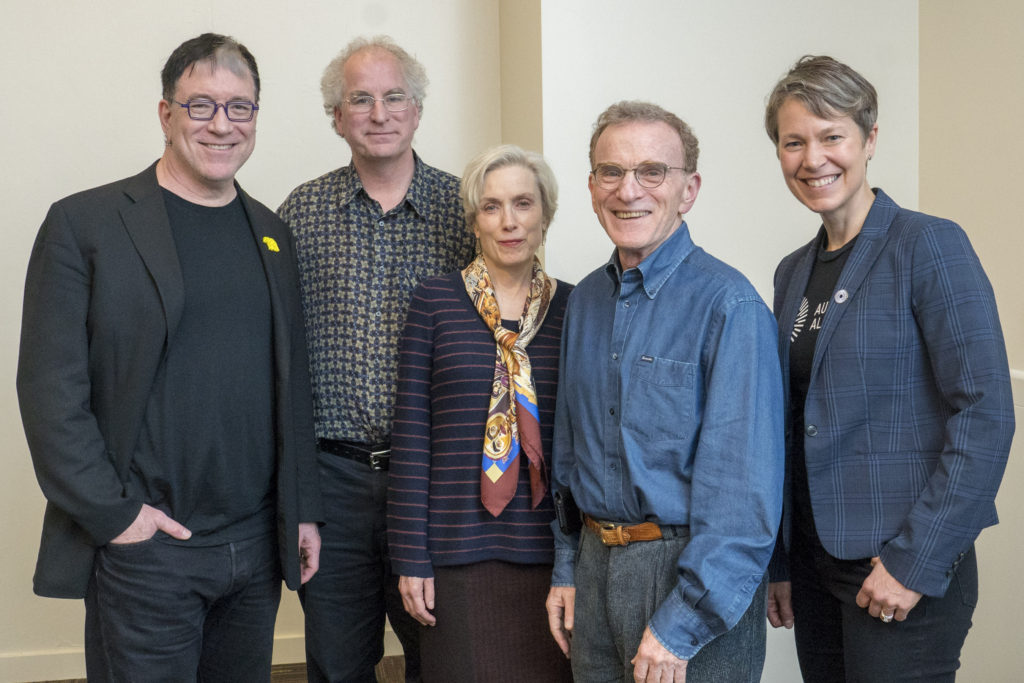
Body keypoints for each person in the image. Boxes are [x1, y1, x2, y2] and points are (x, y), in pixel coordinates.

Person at [16, 33, 321, 682]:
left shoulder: (273, 233)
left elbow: (291, 385)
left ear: (256, 118)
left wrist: (303, 508)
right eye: (201, 105)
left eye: (240, 107)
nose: (221, 124)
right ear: (166, 114)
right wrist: (117, 515)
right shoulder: (86, 224)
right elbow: (49, 391)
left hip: (254, 547)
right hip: (149, 548)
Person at [763, 55, 1015, 681]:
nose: (812, 158)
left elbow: (986, 413)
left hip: (900, 566)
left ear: (869, 140)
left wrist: (915, 560)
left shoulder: (928, 244)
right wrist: (782, 562)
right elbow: (794, 424)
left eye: (832, 136)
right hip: (817, 568)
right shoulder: (792, 272)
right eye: (793, 142)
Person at [545, 100, 785, 683]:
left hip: (685, 575)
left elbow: (743, 498)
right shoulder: (585, 303)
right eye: (612, 172)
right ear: (592, 186)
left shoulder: (730, 307)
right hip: (596, 570)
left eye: (652, 171)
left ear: (689, 189)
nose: (630, 190)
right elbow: (571, 453)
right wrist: (567, 567)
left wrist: (683, 623)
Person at [278, 35, 475, 682]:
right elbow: (274, 353)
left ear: (418, 110)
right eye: (359, 99)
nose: (379, 113)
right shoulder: (300, 215)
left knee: (441, 659)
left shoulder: (467, 211)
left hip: (437, 480)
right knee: (336, 665)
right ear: (337, 117)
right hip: (331, 481)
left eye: (395, 97)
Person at [387, 145, 574, 683]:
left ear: (545, 214)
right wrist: (411, 557)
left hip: (551, 556)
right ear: (473, 220)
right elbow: (412, 439)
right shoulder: (435, 302)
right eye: (492, 207)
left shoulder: (577, 308)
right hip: (454, 554)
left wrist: (578, 561)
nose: (509, 221)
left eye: (523, 203)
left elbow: (584, 442)